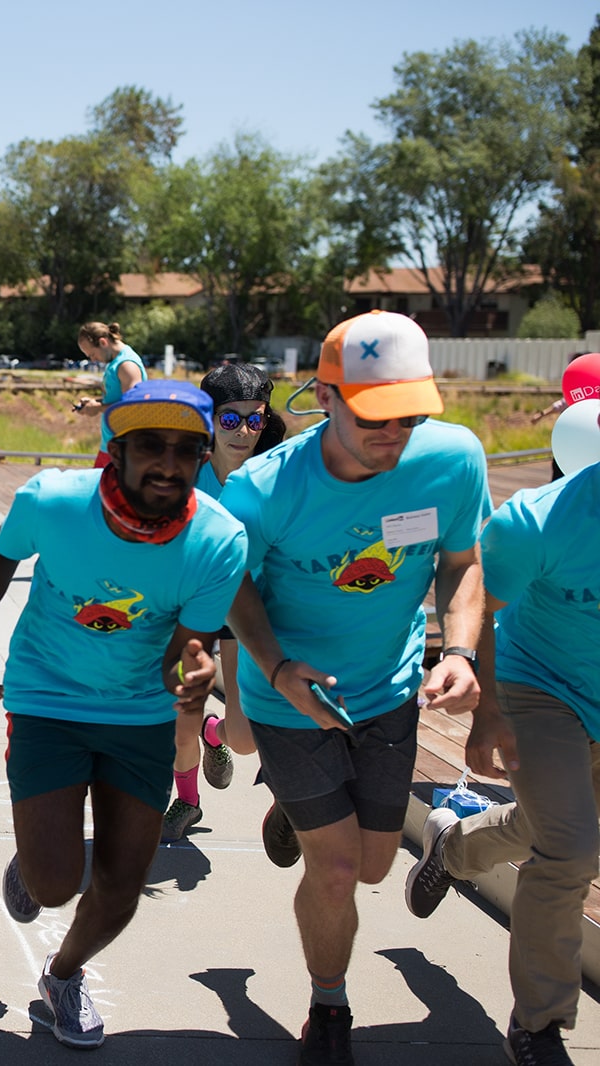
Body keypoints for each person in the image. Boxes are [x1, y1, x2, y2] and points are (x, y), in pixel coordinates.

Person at [219, 310, 490, 1064]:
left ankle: (295, 814)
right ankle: (329, 1003)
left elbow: (463, 562)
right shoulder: (264, 488)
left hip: (390, 692)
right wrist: (272, 666)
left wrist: (460, 650)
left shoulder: (453, 460)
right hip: (288, 698)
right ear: (326, 396)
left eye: (408, 413)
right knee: (336, 871)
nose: (392, 432)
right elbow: (233, 588)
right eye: (373, 413)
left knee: (373, 866)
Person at [0, 381, 246, 1050]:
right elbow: (2, 551)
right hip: (47, 699)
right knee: (55, 883)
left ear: (205, 457)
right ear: (114, 451)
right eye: (149, 446)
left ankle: (62, 977)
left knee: (122, 887)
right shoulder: (53, 502)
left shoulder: (219, 540)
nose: (168, 464)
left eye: (186, 450)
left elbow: (185, 651)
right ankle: (35, 865)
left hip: (140, 712)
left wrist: (195, 674)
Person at [402, 436, 596, 1065]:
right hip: (543, 688)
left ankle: (454, 845)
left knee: (548, 829)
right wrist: (488, 715)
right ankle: (538, 1025)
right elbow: (484, 601)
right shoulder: (537, 521)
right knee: (568, 851)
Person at [161, 363, 287, 842]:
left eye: (254, 420)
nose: (244, 432)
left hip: (245, 609)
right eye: (230, 419)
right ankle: (188, 800)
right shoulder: (184, 468)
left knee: (243, 738)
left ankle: (216, 734)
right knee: (180, 717)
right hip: (188, 605)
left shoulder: (274, 474)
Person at [75, 321, 146, 468]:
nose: (93, 360)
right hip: (109, 445)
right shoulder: (114, 363)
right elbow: (118, 398)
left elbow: (132, 405)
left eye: (92, 354)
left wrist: (99, 407)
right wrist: (94, 402)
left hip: (123, 449)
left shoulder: (127, 365)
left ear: (103, 342)